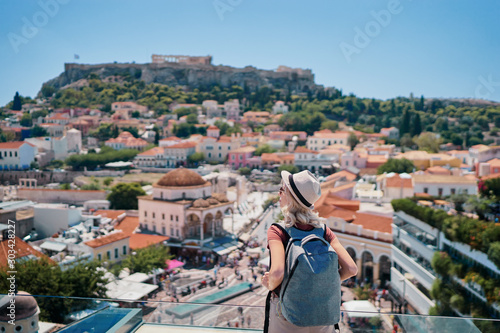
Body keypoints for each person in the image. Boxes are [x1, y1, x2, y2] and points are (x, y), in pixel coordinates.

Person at [262, 170, 358, 332]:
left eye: (282, 190)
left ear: (289, 197)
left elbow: (277, 273)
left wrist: (269, 283)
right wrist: (319, 284)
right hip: (322, 312)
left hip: (287, 313)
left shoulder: (278, 231)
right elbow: (351, 269)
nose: (279, 194)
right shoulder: (324, 231)